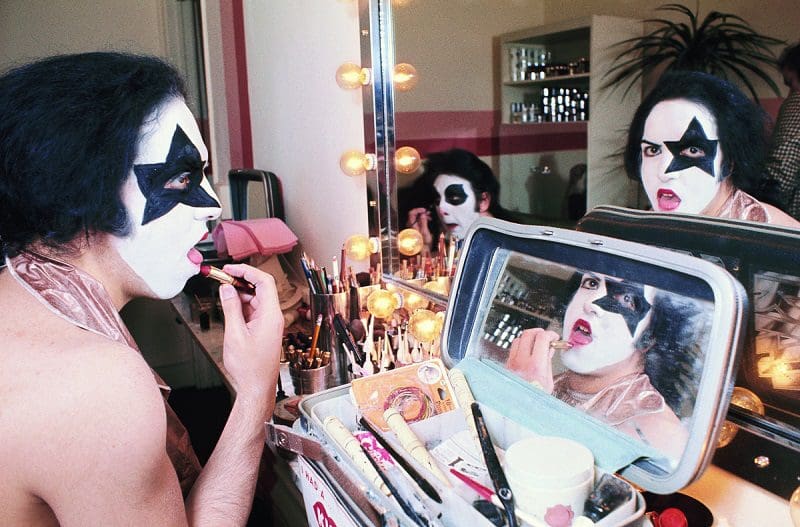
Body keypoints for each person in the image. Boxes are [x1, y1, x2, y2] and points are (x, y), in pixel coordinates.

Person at [0, 52, 284, 525]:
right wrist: (258, 391)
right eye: (181, 177)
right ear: (80, 190)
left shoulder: (20, 290)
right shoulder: (96, 387)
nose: (211, 205)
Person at [506, 272, 707, 460]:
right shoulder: (547, 381)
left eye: (627, 298)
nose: (591, 304)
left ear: (649, 338)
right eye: (592, 283)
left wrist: (526, 401)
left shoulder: (659, 432)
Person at [624, 70, 800, 228]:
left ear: (730, 161)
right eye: (653, 150)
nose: (664, 172)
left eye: (692, 150)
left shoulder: (778, 243)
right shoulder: (641, 234)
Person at [406, 148, 508, 251]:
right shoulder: (453, 244)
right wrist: (424, 246)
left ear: (483, 201)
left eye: (454, 198)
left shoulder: (508, 247)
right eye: (438, 200)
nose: (441, 209)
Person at [765, 43, 800, 221]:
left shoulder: (797, 103)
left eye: (791, 85)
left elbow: (782, 167)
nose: (789, 94)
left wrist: (764, 205)